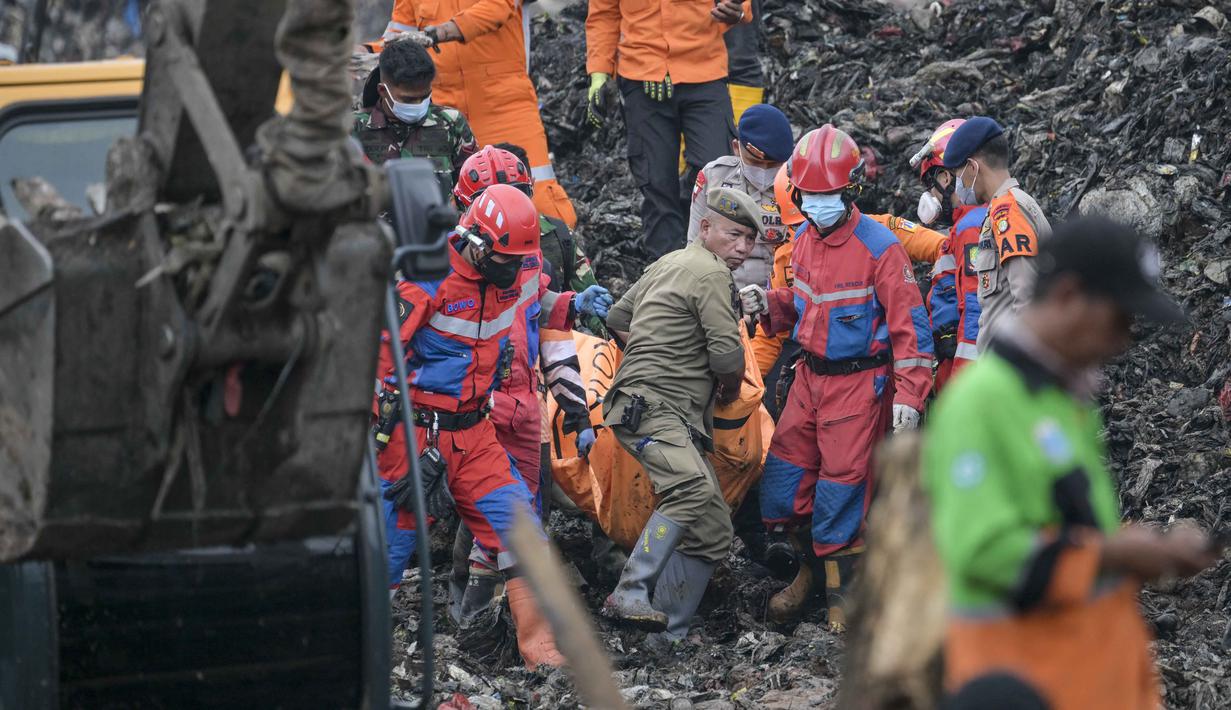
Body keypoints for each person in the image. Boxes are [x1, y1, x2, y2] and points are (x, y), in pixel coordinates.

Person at [923, 215, 1216, 709]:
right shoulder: (981, 404)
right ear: (1068, 296)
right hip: (1024, 687)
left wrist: (1145, 551)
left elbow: (1070, 533)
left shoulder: (1062, 400)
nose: (1123, 339)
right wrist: (1116, 555)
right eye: (1119, 318)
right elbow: (983, 551)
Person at [740, 126, 935, 632]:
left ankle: (843, 601)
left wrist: (910, 397)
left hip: (858, 386)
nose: (816, 203)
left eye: (826, 194)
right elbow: (806, 306)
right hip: (809, 380)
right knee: (782, 485)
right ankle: (809, 576)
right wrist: (771, 305)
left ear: (850, 191)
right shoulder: (804, 242)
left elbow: (911, 330)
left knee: (841, 492)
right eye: (808, 194)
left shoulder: (880, 249)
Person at [375, 183, 565, 668]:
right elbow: (377, 352)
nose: (512, 272)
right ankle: (358, 653)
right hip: (415, 433)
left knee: (522, 531)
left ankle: (541, 651)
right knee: (392, 544)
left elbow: (538, 302)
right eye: (504, 261)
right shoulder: (426, 275)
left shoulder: (516, 271)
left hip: (476, 430)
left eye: (519, 263)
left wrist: (574, 306)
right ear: (475, 242)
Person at [442, 146, 610, 625]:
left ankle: (495, 619)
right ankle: (474, 609)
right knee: (494, 513)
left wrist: (577, 414)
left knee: (523, 512)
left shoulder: (536, 255)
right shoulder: (440, 270)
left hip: (523, 407)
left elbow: (551, 335)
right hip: (470, 409)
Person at [600, 187, 760, 641]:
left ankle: (665, 638)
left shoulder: (668, 262)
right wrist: (728, 391)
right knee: (690, 488)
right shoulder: (713, 274)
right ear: (705, 228)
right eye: (733, 235)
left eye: (750, 240)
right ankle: (630, 589)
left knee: (712, 528)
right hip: (655, 408)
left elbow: (617, 317)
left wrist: (653, 351)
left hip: (650, 408)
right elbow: (728, 358)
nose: (742, 248)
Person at [378, 0, 578, 227]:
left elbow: (497, 8)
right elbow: (396, 41)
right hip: (446, 114)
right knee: (446, 208)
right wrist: (362, 53)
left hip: (504, 103)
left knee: (536, 196)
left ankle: (557, 248)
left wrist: (437, 34)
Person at [585, 0, 752, 260]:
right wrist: (599, 73)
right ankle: (665, 269)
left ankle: (709, 260)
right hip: (642, 78)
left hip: (703, 71)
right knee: (657, 183)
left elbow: (737, 5)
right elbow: (604, 13)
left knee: (717, 172)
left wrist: (739, 12)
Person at [940, 116, 1051, 352]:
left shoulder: (1008, 212)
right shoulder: (1004, 208)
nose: (958, 185)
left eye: (958, 174)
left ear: (972, 168)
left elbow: (1028, 300)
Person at [493, 142, 608, 338]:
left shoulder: (559, 235)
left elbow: (589, 304)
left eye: (516, 191)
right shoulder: (468, 247)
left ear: (531, 185)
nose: (508, 202)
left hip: (554, 343)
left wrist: (606, 342)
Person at [912, 118, 988, 385]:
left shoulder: (971, 228)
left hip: (965, 379)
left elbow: (976, 310)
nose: (930, 195)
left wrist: (962, 392)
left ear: (945, 178)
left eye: (930, 184)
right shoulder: (967, 226)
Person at [352, 37, 477, 199]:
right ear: (383, 91)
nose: (418, 104)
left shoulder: (451, 124)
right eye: (408, 99)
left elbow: (473, 189)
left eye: (424, 97)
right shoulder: (353, 129)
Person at [687, 103, 794, 290]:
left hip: (781, 291)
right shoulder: (715, 177)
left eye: (773, 165)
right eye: (755, 163)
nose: (764, 171)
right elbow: (694, 246)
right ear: (736, 148)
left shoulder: (797, 184)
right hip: (722, 287)